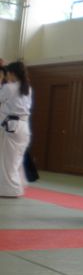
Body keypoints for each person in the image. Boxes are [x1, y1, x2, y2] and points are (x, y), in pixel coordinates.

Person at [0, 61, 32, 197]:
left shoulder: (9, 87)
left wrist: (1, 81)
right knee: (15, 160)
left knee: (7, 161)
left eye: (7, 73)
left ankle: (9, 190)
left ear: (12, 73)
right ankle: (16, 188)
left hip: (12, 126)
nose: (6, 76)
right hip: (23, 127)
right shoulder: (27, 88)